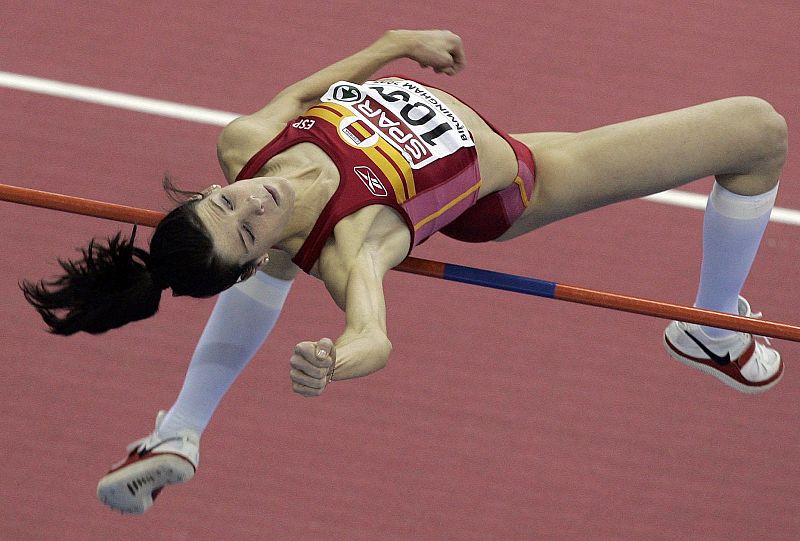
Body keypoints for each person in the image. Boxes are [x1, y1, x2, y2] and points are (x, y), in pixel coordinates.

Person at [21, 29, 787, 514]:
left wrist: (392, 44)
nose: (256, 195)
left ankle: (180, 432)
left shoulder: (246, 142)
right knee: (757, 132)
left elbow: (305, 94)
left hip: (489, 133)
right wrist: (336, 357)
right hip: (522, 179)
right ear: (251, 245)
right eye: (248, 220)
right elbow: (371, 331)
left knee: (286, 249)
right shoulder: (357, 242)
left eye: (229, 199)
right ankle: (710, 327)